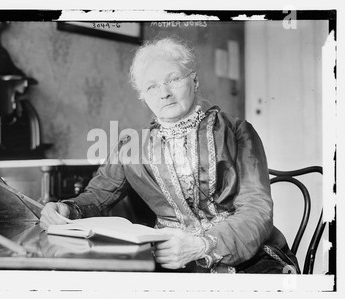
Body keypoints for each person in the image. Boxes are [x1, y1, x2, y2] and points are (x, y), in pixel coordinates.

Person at [40, 37, 299, 274]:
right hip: (169, 259)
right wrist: (67, 209)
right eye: (152, 87)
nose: (164, 92)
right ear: (144, 97)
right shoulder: (132, 144)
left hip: (243, 254)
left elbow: (256, 209)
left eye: (173, 79)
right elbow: (97, 197)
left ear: (194, 81)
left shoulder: (236, 131)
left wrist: (202, 245)